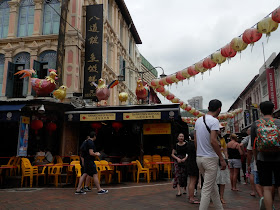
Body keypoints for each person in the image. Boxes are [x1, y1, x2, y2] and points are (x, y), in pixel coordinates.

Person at [194, 99, 226, 210]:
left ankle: (219, 208)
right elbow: (213, 140)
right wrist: (221, 159)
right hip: (210, 159)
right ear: (219, 109)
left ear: (208, 108)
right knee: (207, 189)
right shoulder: (214, 121)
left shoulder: (198, 121)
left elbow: (195, 140)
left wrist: (199, 153)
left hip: (200, 158)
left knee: (212, 188)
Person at [251, 101, 280, 210]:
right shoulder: (278, 123)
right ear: (273, 109)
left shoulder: (256, 124)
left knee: (267, 187)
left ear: (261, 111)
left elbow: (254, 145)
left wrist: (256, 159)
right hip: (278, 157)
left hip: (262, 158)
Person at [216, 124, 230, 204]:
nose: (219, 131)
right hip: (214, 159)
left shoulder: (222, 139)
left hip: (222, 158)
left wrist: (227, 159)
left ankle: (221, 196)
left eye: (220, 129)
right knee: (215, 179)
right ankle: (215, 196)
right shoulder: (212, 138)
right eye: (218, 129)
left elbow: (225, 150)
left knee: (222, 179)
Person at [187, 131, 200, 204]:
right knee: (193, 181)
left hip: (189, 163)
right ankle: (191, 198)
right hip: (193, 163)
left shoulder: (188, 144)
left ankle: (190, 195)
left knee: (191, 181)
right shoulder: (195, 145)